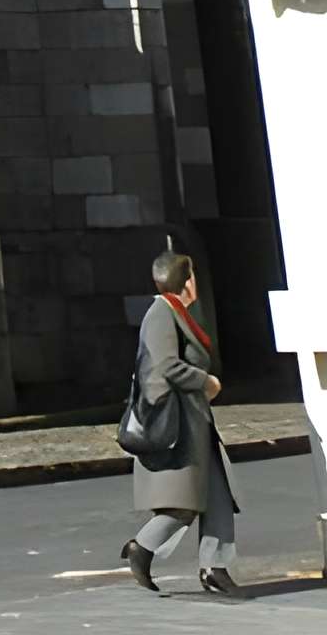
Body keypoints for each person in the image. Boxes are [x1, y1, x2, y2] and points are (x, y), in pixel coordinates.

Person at [123, 248, 240, 600]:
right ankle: (141, 547)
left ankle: (214, 568)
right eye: (194, 276)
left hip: (196, 422)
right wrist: (207, 382)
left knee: (218, 495)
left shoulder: (178, 313)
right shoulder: (161, 313)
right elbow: (165, 365)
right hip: (179, 426)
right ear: (187, 281)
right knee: (184, 503)